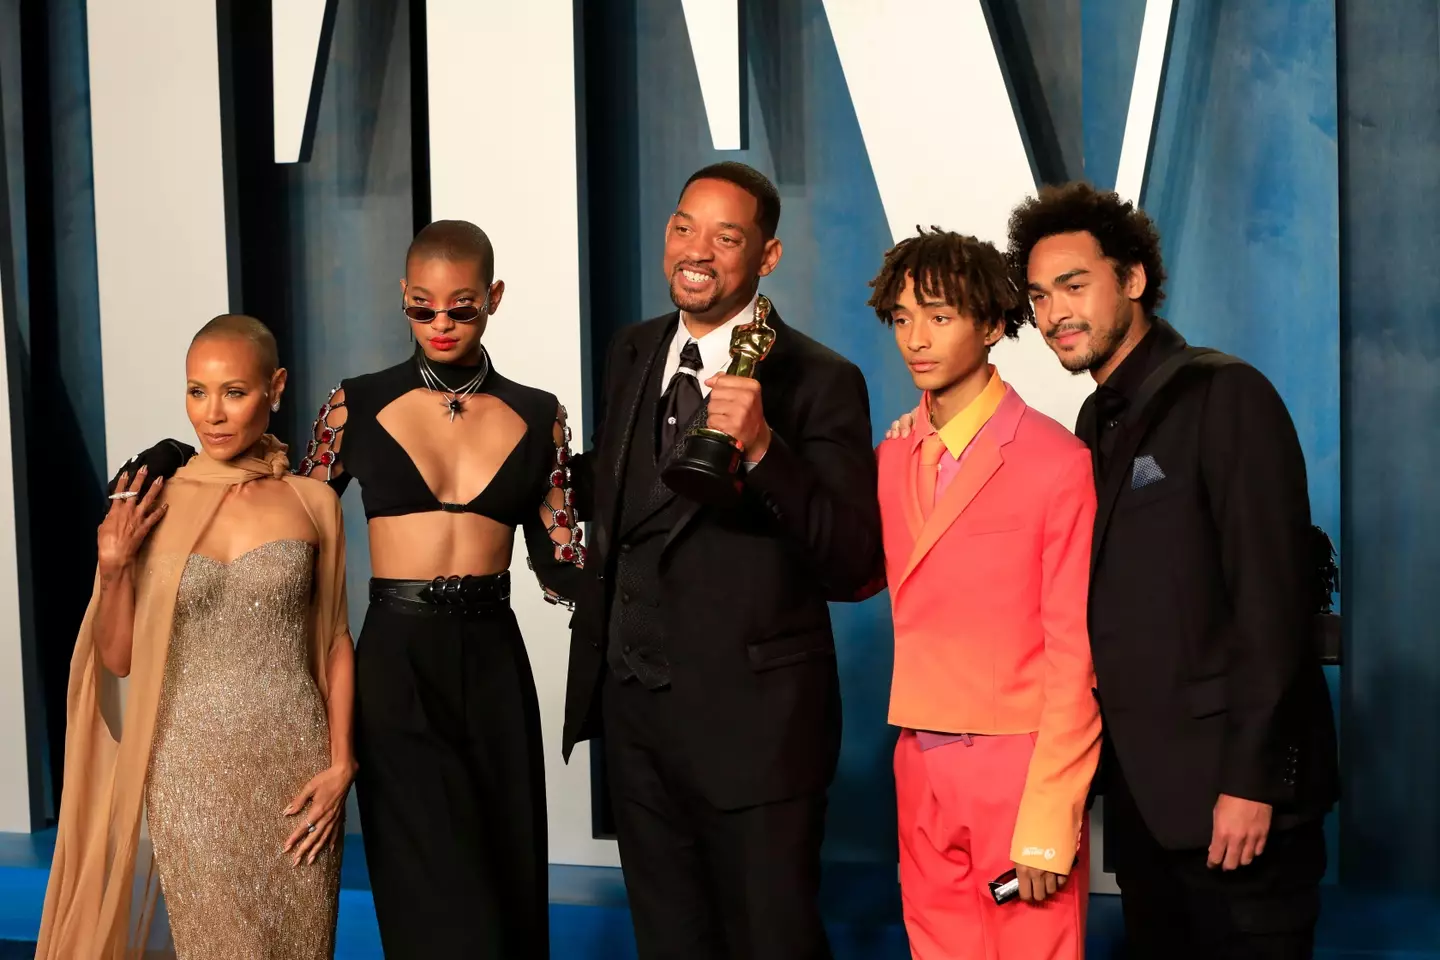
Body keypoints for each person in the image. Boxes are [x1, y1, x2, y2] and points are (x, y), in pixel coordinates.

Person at [106, 221, 585, 959]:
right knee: (433, 900)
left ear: (493, 298)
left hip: (495, 665)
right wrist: (179, 455)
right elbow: (288, 499)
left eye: (462, 307)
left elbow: (562, 566)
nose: (442, 324)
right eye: (422, 308)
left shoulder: (540, 414)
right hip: (396, 664)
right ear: (402, 298)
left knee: (506, 886)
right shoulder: (354, 405)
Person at [891, 184, 1339, 958]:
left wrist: (1254, 782)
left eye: (1075, 285)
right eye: (1039, 296)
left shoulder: (1224, 394)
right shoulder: (1093, 422)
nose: (1056, 312)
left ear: (1132, 280)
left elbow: (1273, 604)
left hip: (1237, 803)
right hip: (1144, 807)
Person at [561, 161, 882, 960]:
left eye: (725, 235)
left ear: (767, 256)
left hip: (757, 737)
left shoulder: (820, 379)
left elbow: (851, 564)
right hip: (636, 721)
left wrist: (767, 450)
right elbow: (626, 494)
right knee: (669, 942)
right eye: (682, 227)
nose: (695, 251)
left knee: (771, 943)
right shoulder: (632, 350)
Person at [39, 315, 353, 959]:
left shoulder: (312, 502)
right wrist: (112, 567)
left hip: (298, 768)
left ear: (276, 387)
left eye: (234, 392)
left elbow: (335, 643)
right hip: (190, 770)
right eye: (196, 391)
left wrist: (342, 763)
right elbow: (118, 658)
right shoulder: (150, 502)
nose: (212, 414)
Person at [869, 228, 1100, 958]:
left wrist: (1050, 812)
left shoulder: (1056, 461)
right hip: (917, 753)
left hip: (1017, 763)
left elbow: (1074, 655)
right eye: (903, 317)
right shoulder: (894, 453)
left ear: (994, 325)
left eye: (939, 316)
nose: (916, 338)